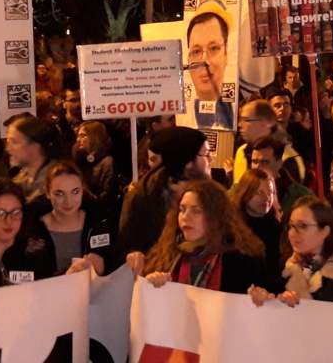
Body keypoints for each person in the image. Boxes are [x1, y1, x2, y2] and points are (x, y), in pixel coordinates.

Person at [138, 180, 268, 295]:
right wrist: (153, 285)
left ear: (216, 217)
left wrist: (259, 298)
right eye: (182, 209)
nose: (185, 216)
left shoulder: (241, 262)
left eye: (196, 211)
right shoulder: (168, 254)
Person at [251, 195, 333, 308]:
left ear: (325, 231)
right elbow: (269, 303)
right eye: (291, 226)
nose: (293, 233)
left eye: (303, 226)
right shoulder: (282, 268)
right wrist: (265, 298)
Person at [120, 126, 211, 260]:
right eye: (206, 154)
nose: (210, 160)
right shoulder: (144, 197)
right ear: (187, 161)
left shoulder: (209, 192)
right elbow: (129, 245)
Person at [29, 161, 118, 276]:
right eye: (59, 194)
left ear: (82, 190)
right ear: (47, 193)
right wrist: (67, 275)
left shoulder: (100, 223)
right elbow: (29, 276)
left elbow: (117, 262)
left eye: (75, 192)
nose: (68, 201)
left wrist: (103, 268)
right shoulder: (33, 230)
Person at [186, 1, 234, 129]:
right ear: (188, 59)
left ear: (226, 53)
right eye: (196, 51)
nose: (205, 61)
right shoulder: (179, 117)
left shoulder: (239, 112)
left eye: (213, 48)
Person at [232, 100, 305, 184]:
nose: (239, 125)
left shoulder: (288, 158)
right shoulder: (242, 151)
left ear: (265, 123)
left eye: (246, 120)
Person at [231, 168, 281, 282]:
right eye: (259, 193)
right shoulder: (232, 228)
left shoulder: (276, 226)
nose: (267, 198)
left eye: (270, 192)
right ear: (245, 192)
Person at [247, 136, 312, 218]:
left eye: (265, 162)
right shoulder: (240, 190)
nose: (257, 167)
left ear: (279, 163)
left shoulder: (300, 196)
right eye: (254, 161)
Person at [7, 115, 61, 198]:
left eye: (14, 142)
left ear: (35, 146)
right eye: (8, 143)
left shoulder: (57, 180)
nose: (8, 149)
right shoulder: (18, 180)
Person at [72, 121, 117, 209]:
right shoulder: (80, 160)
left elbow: (107, 196)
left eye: (83, 135)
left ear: (95, 137)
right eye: (78, 136)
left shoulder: (107, 162)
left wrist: (86, 194)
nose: (78, 140)